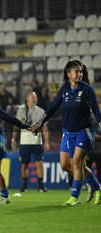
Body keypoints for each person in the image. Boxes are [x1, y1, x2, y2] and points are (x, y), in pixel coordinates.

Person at [31, 60, 101, 205]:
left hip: (84, 131)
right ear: (69, 74)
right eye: (76, 71)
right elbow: (51, 109)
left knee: (76, 163)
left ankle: (75, 197)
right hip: (68, 133)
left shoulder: (87, 89)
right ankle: (97, 187)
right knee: (65, 165)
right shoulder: (64, 90)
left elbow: (96, 110)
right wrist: (39, 124)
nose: (79, 74)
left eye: (81, 71)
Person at [11, 92, 50, 192]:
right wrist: (13, 139)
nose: (35, 98)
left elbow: (45, 128)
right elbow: (16, 125)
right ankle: (24, 186)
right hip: (24, 142)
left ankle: (41, 186)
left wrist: (46, 142)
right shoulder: (21, 110)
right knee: (24, 164)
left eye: (36, 97)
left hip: (37, 142)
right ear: (27, 98)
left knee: (39, 163)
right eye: (32, 97)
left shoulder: (41, 111)